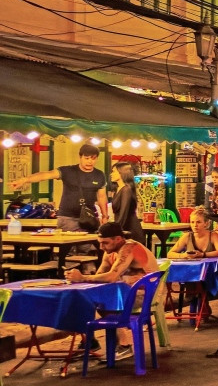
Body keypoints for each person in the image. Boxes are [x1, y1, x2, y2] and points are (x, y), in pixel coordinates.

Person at [66, 222, 160, 361]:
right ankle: (90, 341)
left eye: (105, 243)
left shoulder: (129, 247)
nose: (101, 247)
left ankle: (124, 345)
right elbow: (100, 276)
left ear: (118, 239)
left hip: (144, 294)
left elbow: (111, 277)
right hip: (125, 292)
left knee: (101, 300)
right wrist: (79, 278)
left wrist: (83, 277)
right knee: (88, 297)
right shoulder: (109, 252)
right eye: (100, 243)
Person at [8, 144, 109, 273]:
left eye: (93, 158)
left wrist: (105, 216)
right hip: (67, 218)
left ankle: (86, 279)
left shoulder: (99, 175)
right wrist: (25, 180)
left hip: (88, 220)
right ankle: (65, 277)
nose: (90, 161)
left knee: (87, 251)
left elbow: (102, 196)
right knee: (68, 252)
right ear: (80, 157)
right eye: (87, 158)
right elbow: (46, 175)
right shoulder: (68, 171)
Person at [109, 161, 144, 245]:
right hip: (123, 228)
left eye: (114, 171)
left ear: (122, 173)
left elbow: (123, 213)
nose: (111, 174)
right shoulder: (118, 189)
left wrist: (114, 230)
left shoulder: (126, 189)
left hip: (130, 230)